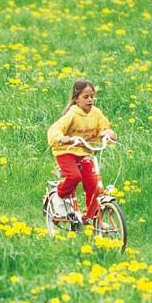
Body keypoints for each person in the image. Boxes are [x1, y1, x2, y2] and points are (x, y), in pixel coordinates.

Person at [47, 78, 116, 221]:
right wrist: (60, 137)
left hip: (84, 152)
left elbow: (104, 127)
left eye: (92, 96)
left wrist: (108, 133)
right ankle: (59, 197)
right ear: (76, 99)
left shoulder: (96, 113)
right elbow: (55, 129)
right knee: (75, 176)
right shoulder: (72, 113)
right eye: (85, 97)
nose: (90, 100)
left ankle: (94, 218)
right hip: (66, 151)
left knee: (93, 184)